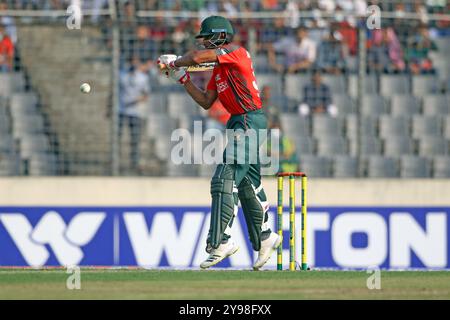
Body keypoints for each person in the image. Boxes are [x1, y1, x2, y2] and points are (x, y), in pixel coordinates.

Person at [158, 15, 282, 270]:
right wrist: (183, 79)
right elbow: (206, 101)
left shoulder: (237, 52)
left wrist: (175, 61)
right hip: (239, 123)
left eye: (205, 38)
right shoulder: (219, 69)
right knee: (247, 182)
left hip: (249, 120)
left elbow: (193, 58)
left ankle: (220, 242)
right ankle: (266, 236)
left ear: (218, 36)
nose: (202, 43)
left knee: (224, 178)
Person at [119, 59, 150, 171]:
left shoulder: (143, 77)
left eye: (136, 61)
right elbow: (115, 90)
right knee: (117, 138)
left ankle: (134, 163)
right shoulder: (121, 74)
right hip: (121, 110)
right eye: (131, 61)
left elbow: (146, 95)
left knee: (135, 139)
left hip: (135, 112)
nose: (133, 63)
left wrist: (136, 100)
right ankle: (116, 163)